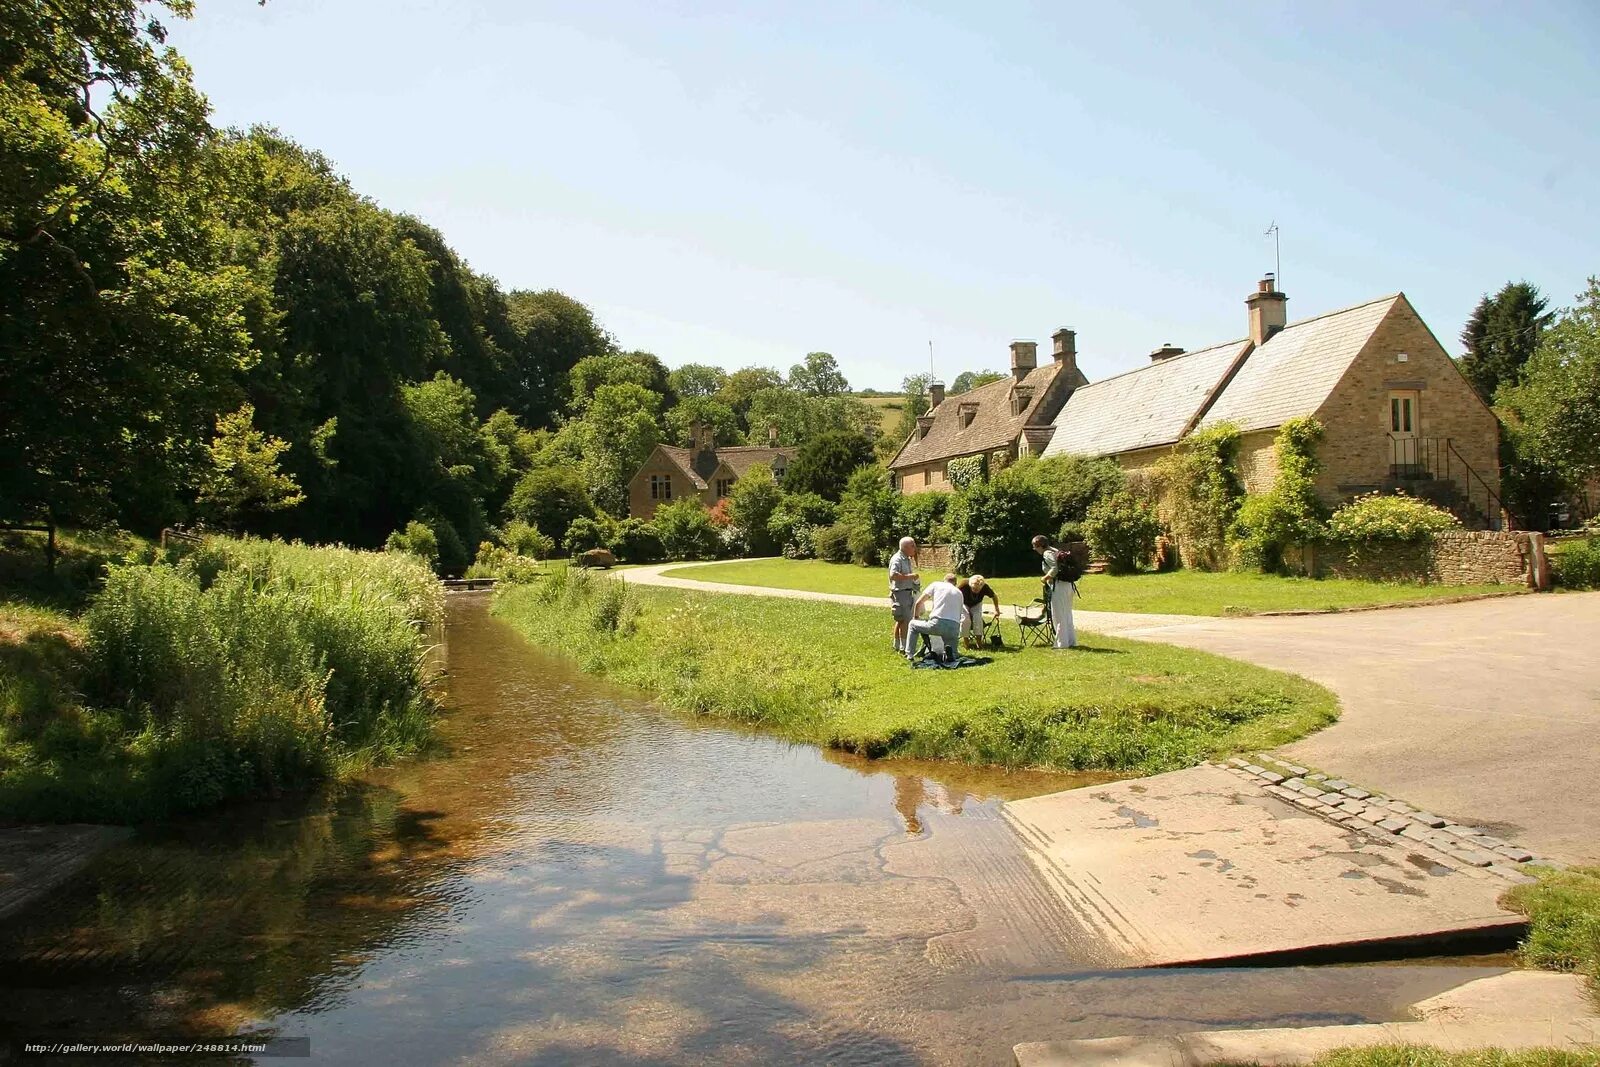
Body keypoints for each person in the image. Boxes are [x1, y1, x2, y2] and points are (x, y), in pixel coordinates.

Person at [907, 572, 964, 663]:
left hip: (938, 623)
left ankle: (909, 654)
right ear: (955, 583)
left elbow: (919, 603)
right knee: (953, 650)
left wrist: (916, 617)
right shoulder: (959, 592)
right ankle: (951, 654)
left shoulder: (936, 584)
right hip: (954, 627)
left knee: (913, 624)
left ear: (944, 580)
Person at [1032, 534, 1077, 649]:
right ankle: (1071, 641)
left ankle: (1062, 644)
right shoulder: (1055, 550)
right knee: (1067, 614)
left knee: (1058, 615)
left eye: (1035, 547)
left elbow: (1055, 569)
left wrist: (1045, 578)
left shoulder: (1047, 553)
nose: (1034, 549)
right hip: (1068, 585)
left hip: (1059, 586)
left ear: (1039, 546)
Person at [887, 536, 921, 654]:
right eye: (913, 545)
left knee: (900, 620)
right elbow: (893, 575)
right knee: (906, 620)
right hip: (900, 593)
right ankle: (905, 647)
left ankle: (897, 645)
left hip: (905, 592)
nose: (914, 548)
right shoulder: (897, 559)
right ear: (906, 547)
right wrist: (910, 577)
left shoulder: (906, 558)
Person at [957, 574, 1001, 649]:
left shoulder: (985, 587)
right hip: (964, 603)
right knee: (965, 620)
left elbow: (994, 596)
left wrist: (996, 609)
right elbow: (954, 593)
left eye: (977, 589)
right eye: (973, 589)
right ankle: (966, 643)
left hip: (977, 604)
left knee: (978, 619)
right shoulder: (963, 585)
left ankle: (979, 642)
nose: (975, 591)